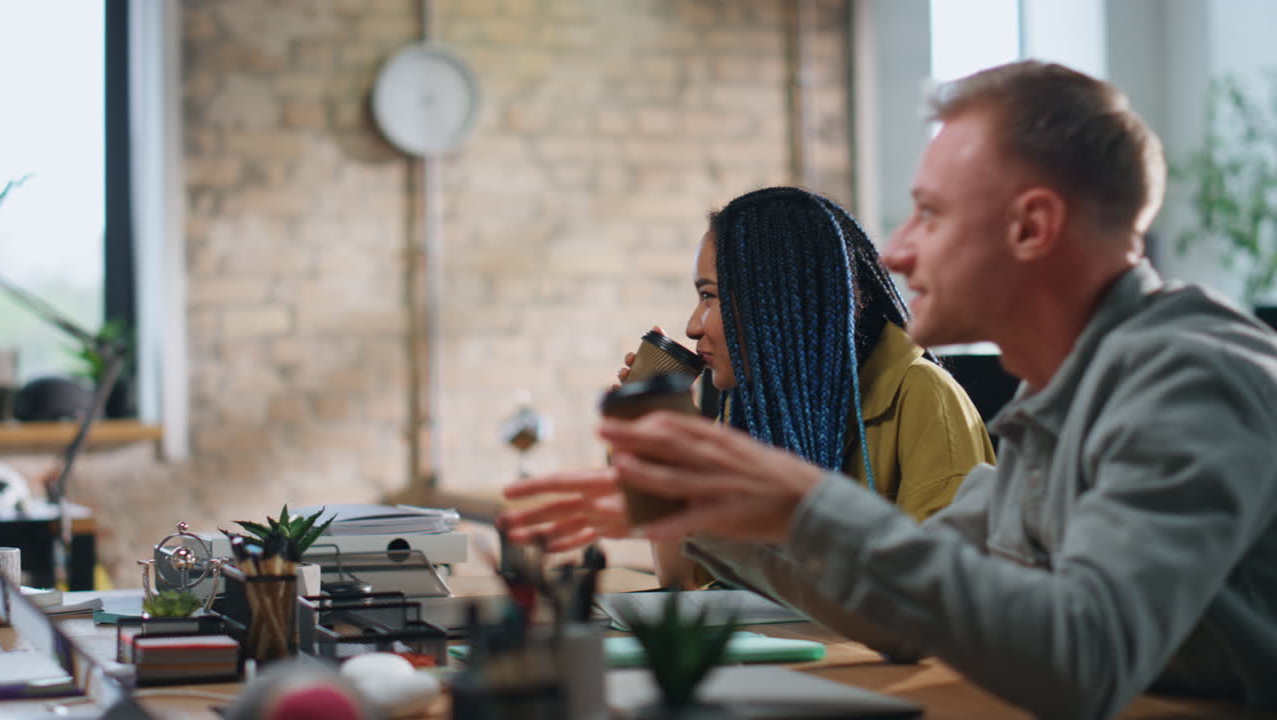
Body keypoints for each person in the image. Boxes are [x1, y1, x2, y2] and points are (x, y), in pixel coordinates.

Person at [504, 60, 1277, 718]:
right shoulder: (1062, 401)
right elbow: (916, 608)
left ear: (1032, 228)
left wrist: (802, 500)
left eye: (929, 215)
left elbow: (1084, 655)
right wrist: (719, 516)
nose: (898, 252)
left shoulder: (1190, 376)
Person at [501, 187, 994, 587]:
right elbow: (682, 580)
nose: (693, 326)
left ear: (776, 303)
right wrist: (672, 454)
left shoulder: (925, 397)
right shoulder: (751, 408)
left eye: (709, 297)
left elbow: (942, 595)